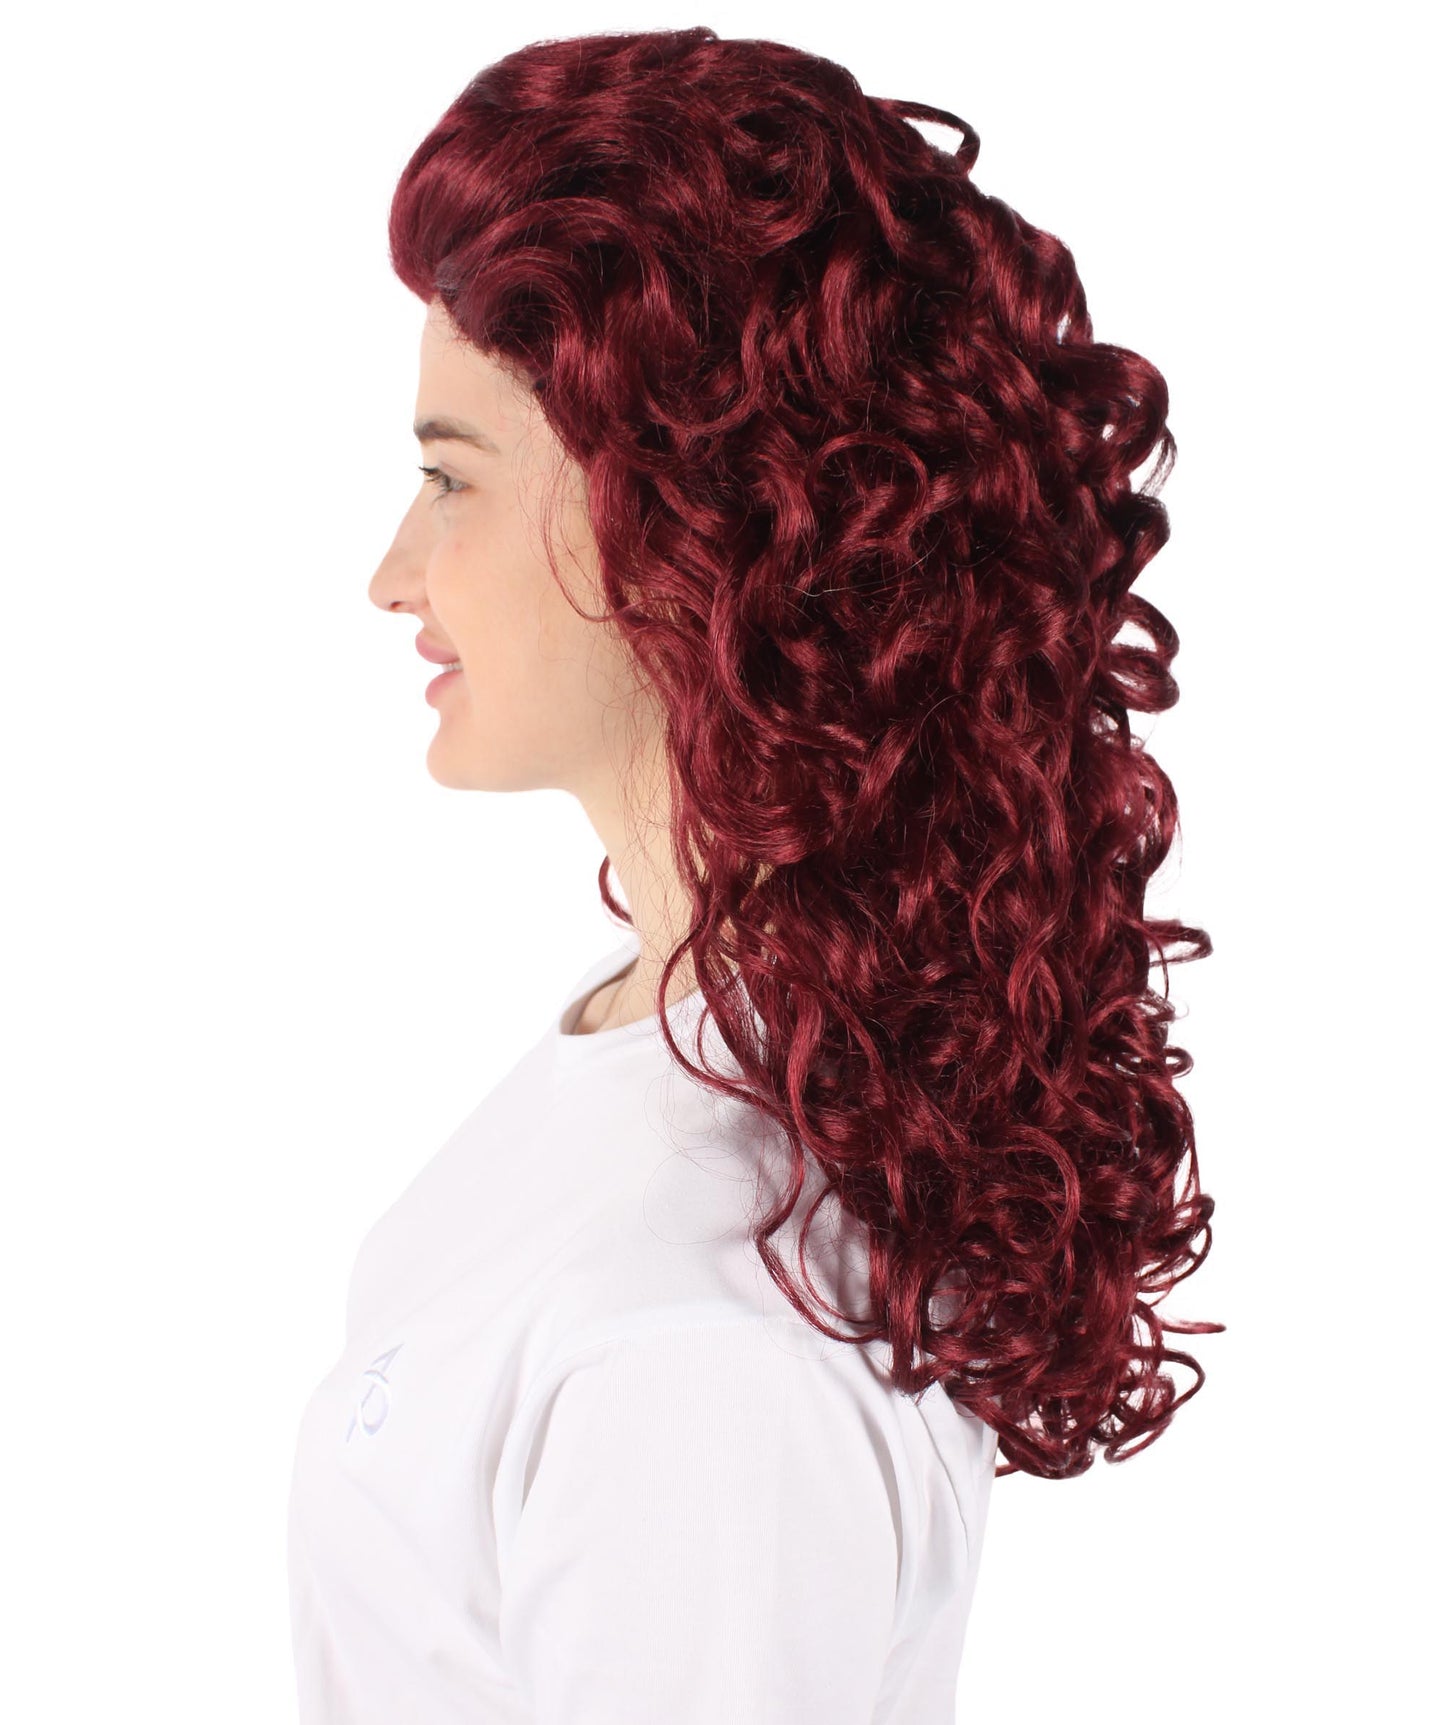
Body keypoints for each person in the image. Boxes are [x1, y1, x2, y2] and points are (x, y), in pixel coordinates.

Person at [286, 25, 1220, 1725]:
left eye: (447, 476)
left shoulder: (698, 1348)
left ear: (687, 525)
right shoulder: (660, 1044)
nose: (391, 571)